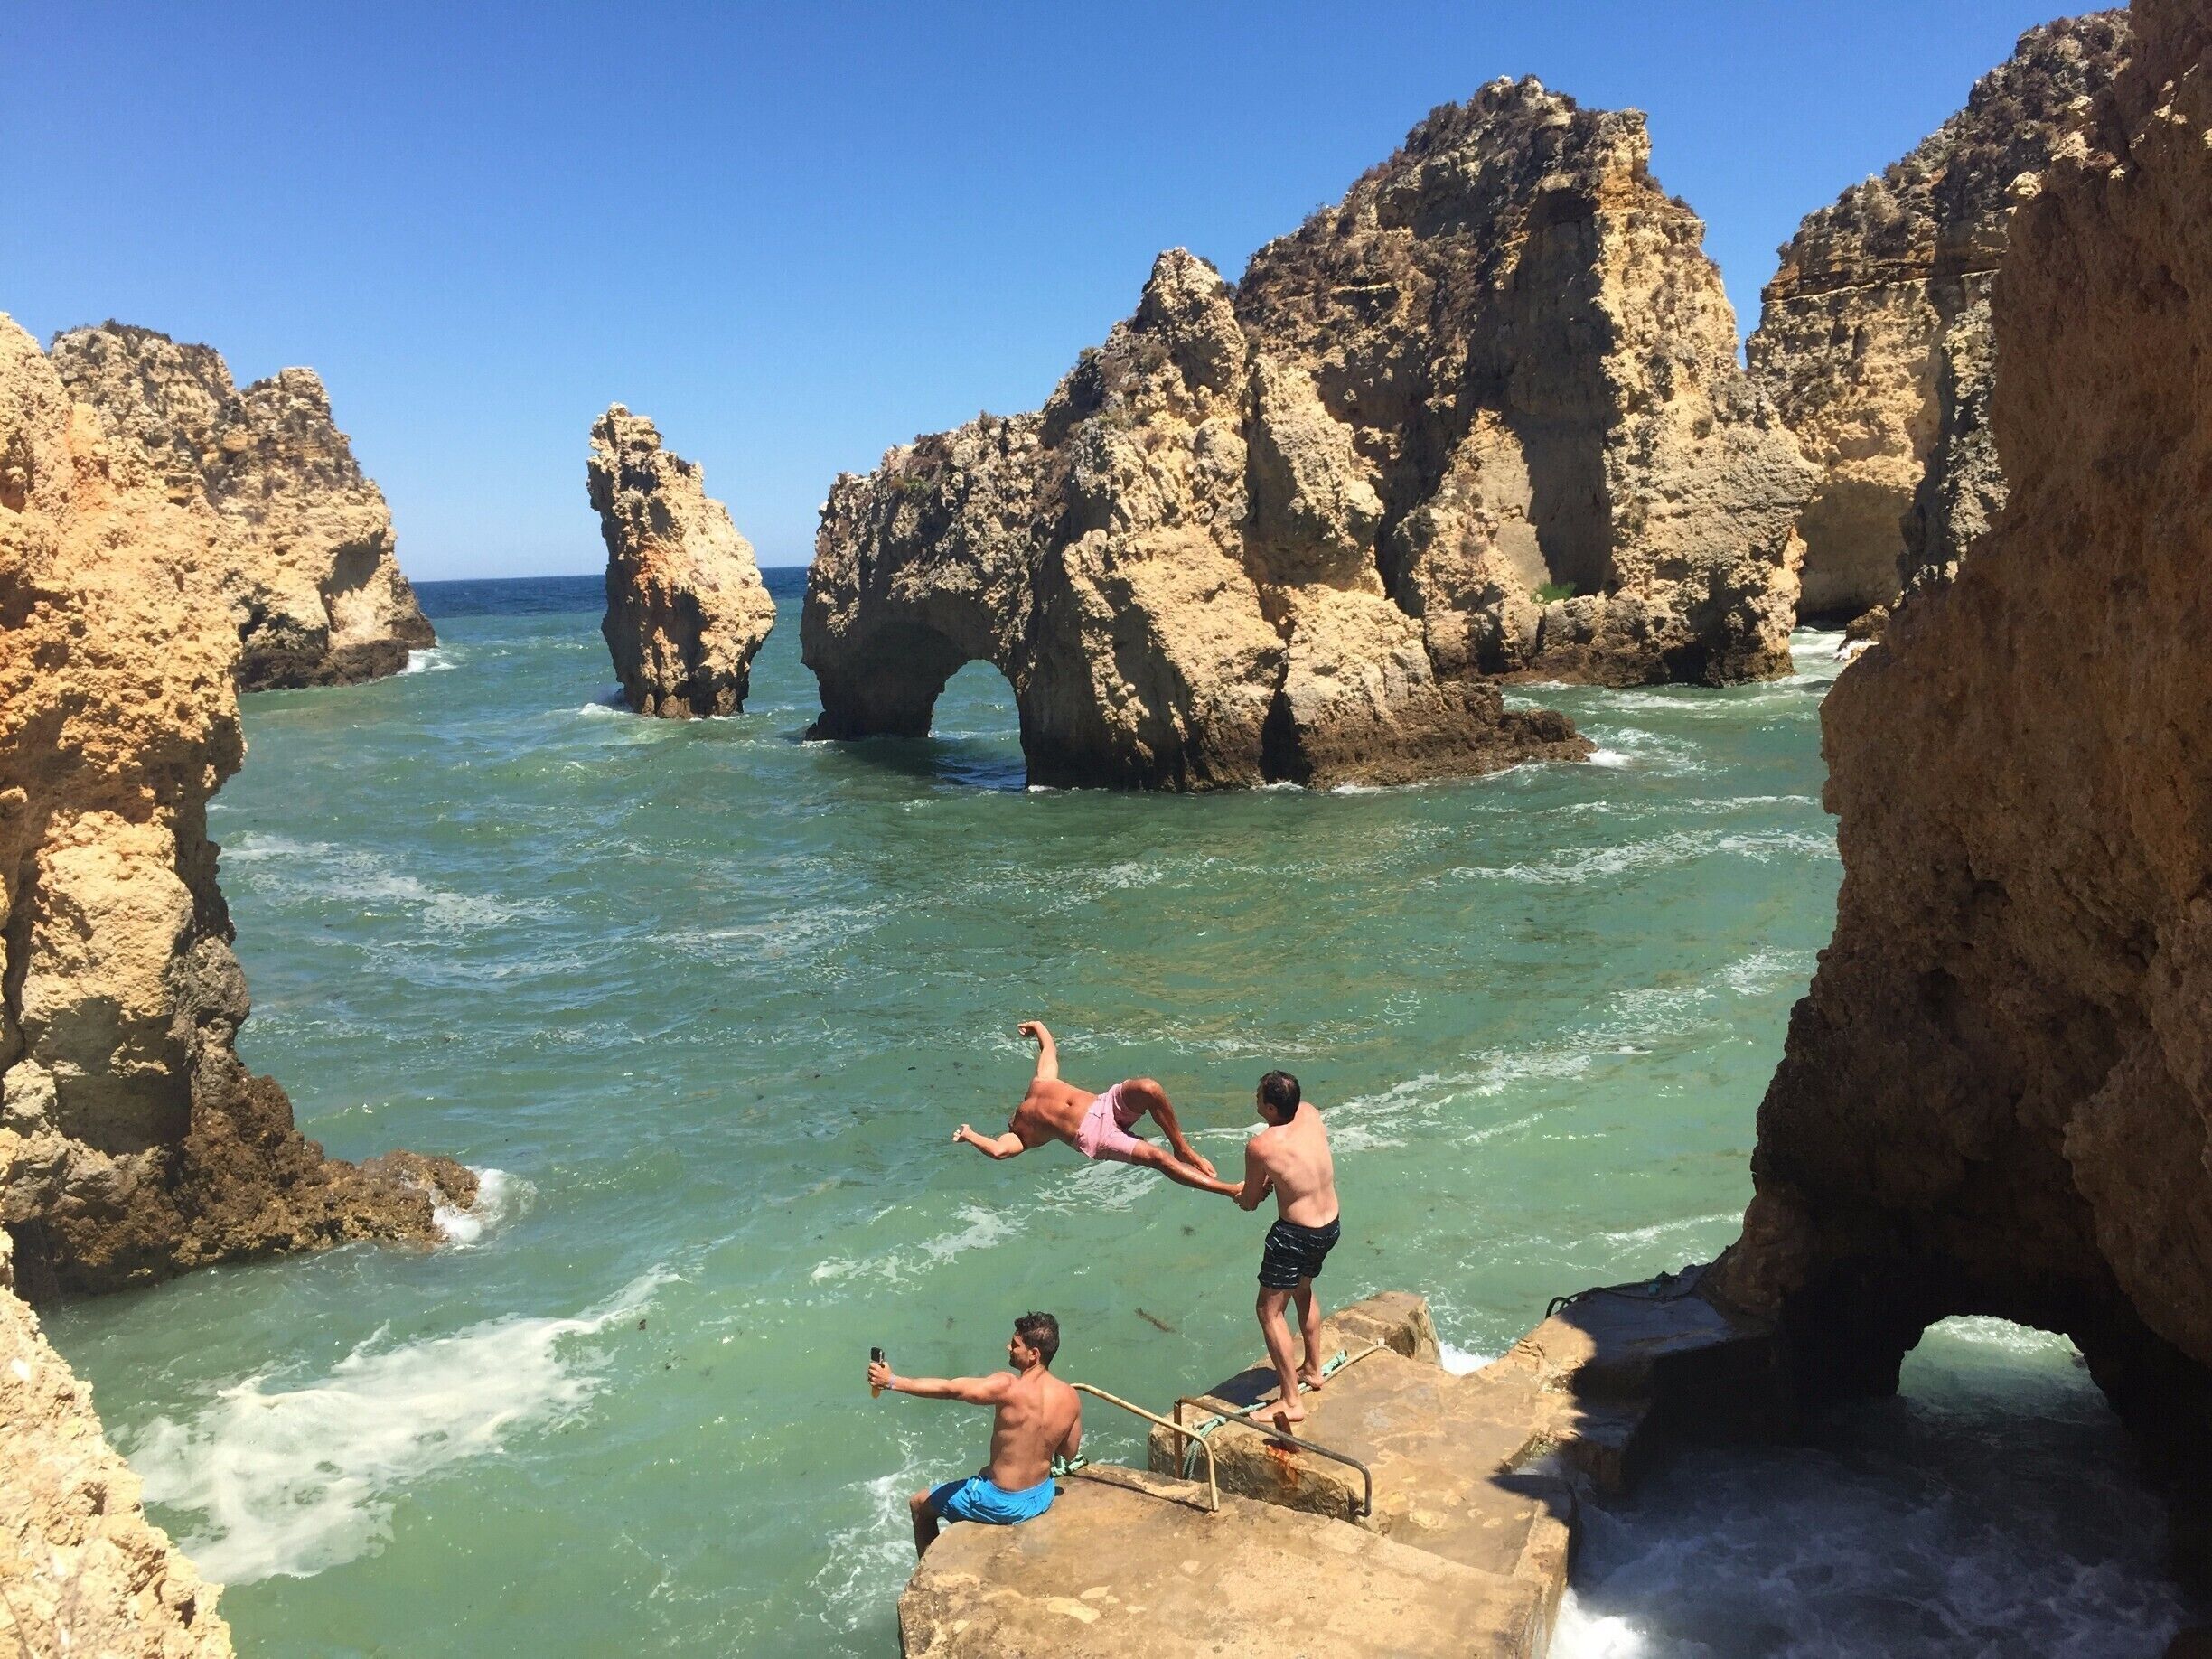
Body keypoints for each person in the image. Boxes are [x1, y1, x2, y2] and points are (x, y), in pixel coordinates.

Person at [870, 1312, 1083, 1557]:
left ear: (1034, 1354)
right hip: (1039, 1497)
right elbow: (1069, 1452)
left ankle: (929, 1569)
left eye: (1015, 1345)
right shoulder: (1070, 1395)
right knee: (985, 1472)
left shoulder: (1008, 1386)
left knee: (919, 1504)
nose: (1008, 1347)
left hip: (1004, 1503)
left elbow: (951, 1389)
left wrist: (892, 1381)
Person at [954, 1020, 1231, 1195]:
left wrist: (1038, 1027)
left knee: (1150, 1088)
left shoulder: (1040, 1082)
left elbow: (1048, 1051)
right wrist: (970, 1134)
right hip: (1095, 1137)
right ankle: (1231, 1191)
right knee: (1158, 1159)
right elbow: (998, 1151)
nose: (1009, 1120)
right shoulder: (1020, 1137)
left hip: (1105, 1103)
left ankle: (1182, 1147)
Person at [1229, 1069, 1341, 1430]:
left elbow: (1248, 1201)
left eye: (1259, 1095)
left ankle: (1291, 1401)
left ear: (1272, 1108)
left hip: (1294, 1234)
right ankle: (1312, 1367)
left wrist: (1245, 1195)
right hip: (1330, 1225)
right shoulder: (1309, 1112)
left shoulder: (1260, 1146)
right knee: (1303, 1290)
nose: (1255, 1098)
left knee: (1268, 1311)